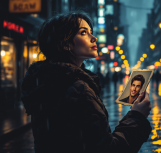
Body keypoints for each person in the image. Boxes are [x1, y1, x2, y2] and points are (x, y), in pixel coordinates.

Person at [21, 11, 152, 153]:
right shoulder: (79, 89)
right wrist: (137, 116)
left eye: (91, 32)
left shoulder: (47, 82)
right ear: (65, 44)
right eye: (83, 33)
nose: (94, 38)